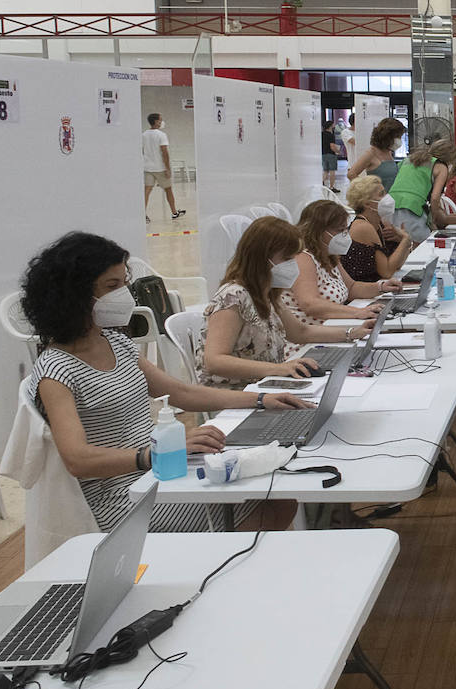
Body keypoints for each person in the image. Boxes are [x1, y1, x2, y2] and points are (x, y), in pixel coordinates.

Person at [21, 232, 307, 533]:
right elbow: (78, 459)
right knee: (271, 501)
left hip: (160, 474)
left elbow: (182, 392)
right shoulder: (57, 369)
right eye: (112, 286)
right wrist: (155, 455)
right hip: (125, 497)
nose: (124, 294)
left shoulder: (117, 343)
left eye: (123, 283)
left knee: (279, 498)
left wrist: (261, 399)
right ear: (75, 295)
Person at [198, 217, 372, 389]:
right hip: (235, 395)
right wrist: (278, 369)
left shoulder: (269, 293)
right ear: (263, 258)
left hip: (264, 385)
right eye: (287, 258)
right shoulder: (233, 297)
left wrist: (352, 333)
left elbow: (301, 332)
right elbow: (215, 361)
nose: (293, 265)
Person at [280, 200, 399, 355]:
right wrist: (356, 312)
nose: (345, 236)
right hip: (306, 345)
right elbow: (310, 304)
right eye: (339, 230)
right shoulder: (303, 258)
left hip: (332, 333)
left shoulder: (328, 255)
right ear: (318, 231)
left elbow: (351, 288)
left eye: (345, 230)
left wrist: (381, 287)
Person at [386, 137, 456, 244]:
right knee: (422, 248)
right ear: (450, 159)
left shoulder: (408, 160)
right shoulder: (441, 167)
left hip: (389, 206)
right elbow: (434, 199)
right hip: (412, 209)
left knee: (399, 247)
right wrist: (433, 221)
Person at [344, 175, 412, 282]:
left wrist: (402, 243)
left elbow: (396, 266)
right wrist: (405, 239)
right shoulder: (363, 227)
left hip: (376, 284)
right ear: (366, 203)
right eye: (381, 194)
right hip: (364, 290)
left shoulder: (378, 224)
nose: (387, 197)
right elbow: (387, 272)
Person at [141, 113, 184, 222]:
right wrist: (168, 168)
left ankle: (142, 213)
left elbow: (142, 150)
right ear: (156, 122)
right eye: (160, 120)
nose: (162, 122)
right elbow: (164, 152)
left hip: (147, 167)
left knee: (147, 190)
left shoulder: (144, 135)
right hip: (160, 168)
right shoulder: (161, 135)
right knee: (168, 190)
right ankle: (174, 213)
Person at [346, 117, 405, 191]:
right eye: (397, 136)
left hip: (390, 198)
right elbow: (351, 174)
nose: (399, 139)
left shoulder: (388, 151)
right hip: (378, 200)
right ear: (388, 136)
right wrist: (368, 190)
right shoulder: (371, 153)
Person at [321, 121, 341, 190]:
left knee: (325, 171)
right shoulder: (331, 135)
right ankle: (332, 187)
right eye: (333, 125)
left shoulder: (321, 134)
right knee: (332, 171)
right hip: (331, 155)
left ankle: (322, 182)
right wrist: (338, 151)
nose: (334, 126)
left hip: (323, 154)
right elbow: (332, 146)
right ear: (330, 126)